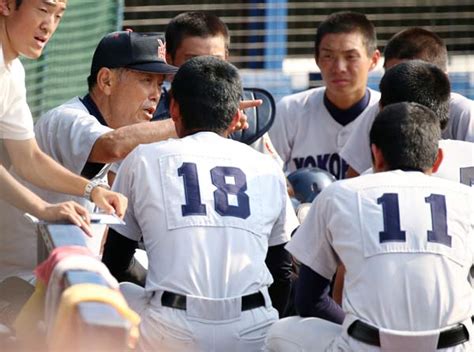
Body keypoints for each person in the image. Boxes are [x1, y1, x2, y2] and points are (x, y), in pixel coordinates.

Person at [102, 56, 299, 351]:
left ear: (175, 109)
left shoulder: (143, 157)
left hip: (171, 328)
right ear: (235, 118)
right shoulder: (266, 166)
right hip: (252, 328)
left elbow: (114, 262)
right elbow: (282, 271)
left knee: (117, 289)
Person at [265, 102, 474, 351]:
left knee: (278, 332)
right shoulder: (466, 198)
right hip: (453, 346)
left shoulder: (339, 194)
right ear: (438, 159)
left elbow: (309, 301)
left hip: (368, 345)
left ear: (375, 154)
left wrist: (354, 327)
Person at [0, 30, 179, 283]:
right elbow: (112, 145)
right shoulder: (67, 119)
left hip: (72, 273)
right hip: (21, 280)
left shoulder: (120, 131)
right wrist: (190, 122)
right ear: (106, 81)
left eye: (160, 85)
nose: (156, 94)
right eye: (146, 80)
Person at [0, 2, 127, 230]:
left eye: (58, 16)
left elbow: (28, 158)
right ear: (7, 4)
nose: (49, 26)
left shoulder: (13, 71)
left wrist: (92, 190)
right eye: (43, 10)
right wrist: (42, 208)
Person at [153, 11, 283, 166]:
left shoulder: (247, 118)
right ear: (169, 59)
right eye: (193, 60)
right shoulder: (147, 110)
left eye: (215, 60)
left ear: (226, 58)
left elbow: (280, 183)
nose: (205, 70)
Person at [342, 27, 474, 178]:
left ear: (442, 79)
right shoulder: (378, 112)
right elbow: (354, 178)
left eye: (415, 76)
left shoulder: (465, 114)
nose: (400, 83)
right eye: (393, 77)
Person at [268, 11, 381, 179]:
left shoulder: (385, 112)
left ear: (373, 60)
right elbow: (266, 175)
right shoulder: (289, 110)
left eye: (351, 56)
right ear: (317, 59)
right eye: (328, 56)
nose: (339, 67)